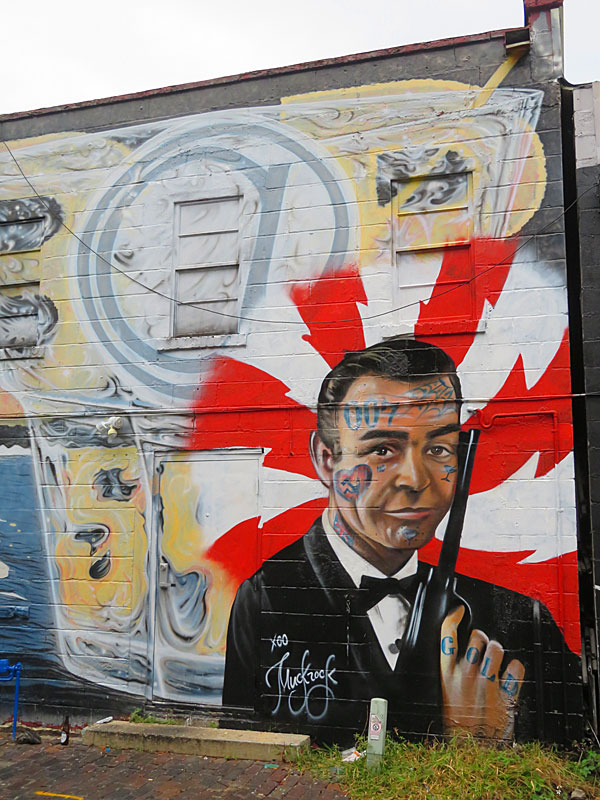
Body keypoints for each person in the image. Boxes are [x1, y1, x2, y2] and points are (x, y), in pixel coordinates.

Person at [222, 338, 581, 743]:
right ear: (326, 459)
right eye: (382, 449)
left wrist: (494, 749)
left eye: (439, 448)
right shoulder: (267, 598)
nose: (416, 479)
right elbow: (242, 751)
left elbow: (571, 748)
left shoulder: (521, 621)